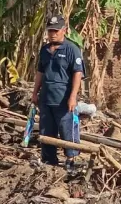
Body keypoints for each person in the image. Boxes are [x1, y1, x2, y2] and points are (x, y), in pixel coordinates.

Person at [31, 14, 85, 169]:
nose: (52, 34)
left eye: (55, 30)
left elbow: (77, 73)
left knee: (67, 130)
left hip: (64, 99)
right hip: (46, 98)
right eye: (50, 31)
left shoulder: (72, 49)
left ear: (64, 30)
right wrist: (35, 93)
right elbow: (40, 72)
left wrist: (73, 97)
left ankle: (71, 159)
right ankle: (49, 161)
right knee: (46, 130)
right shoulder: (45, 50)